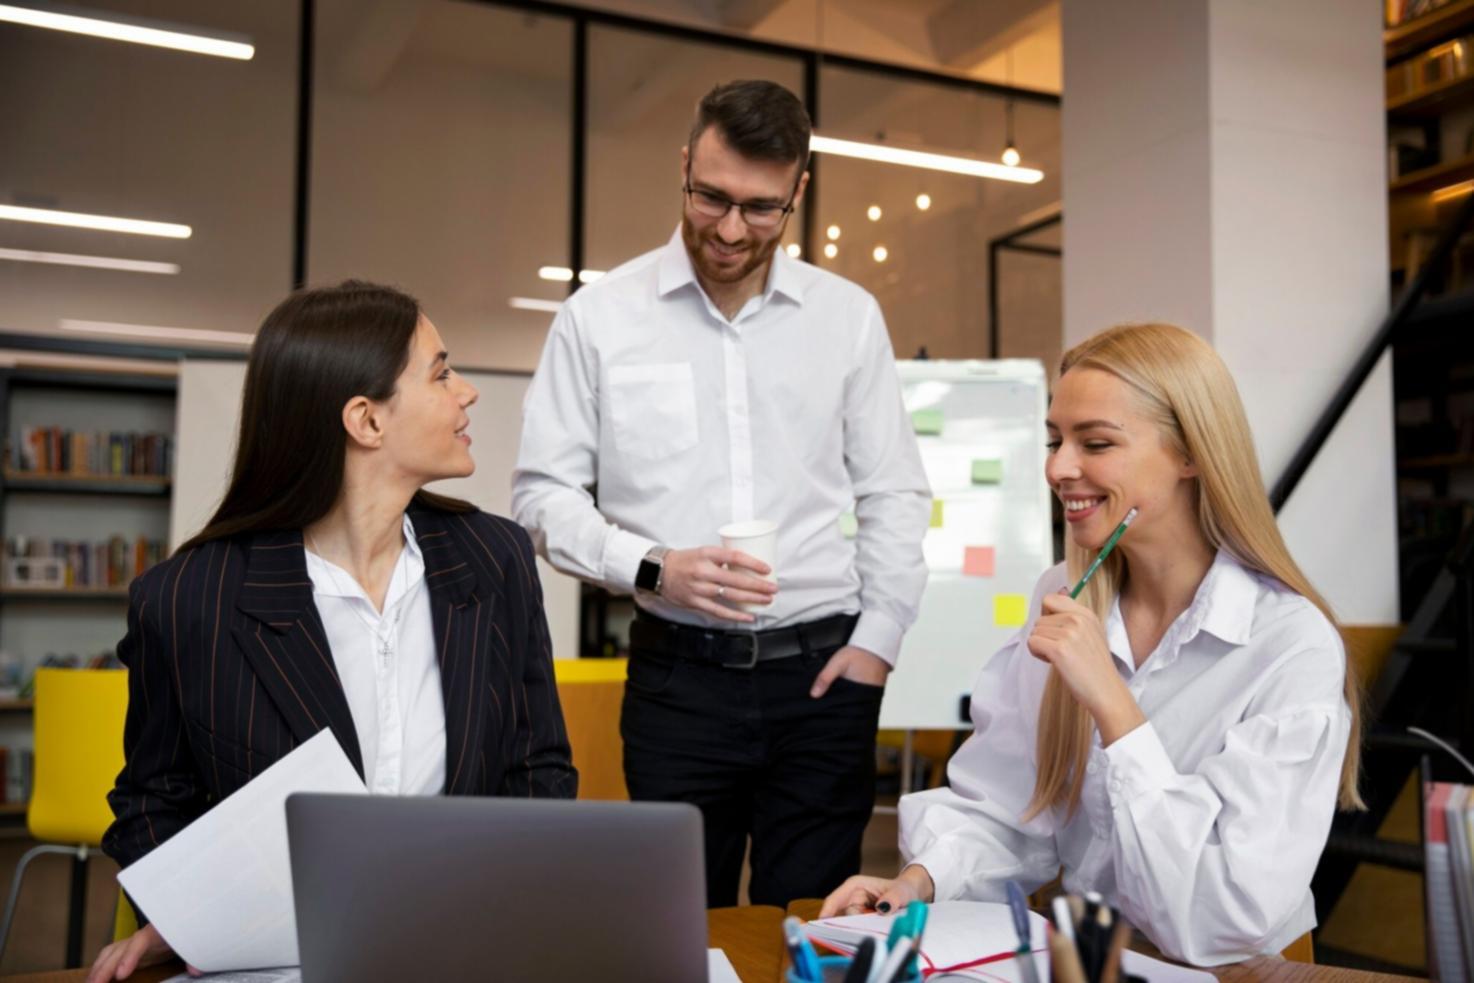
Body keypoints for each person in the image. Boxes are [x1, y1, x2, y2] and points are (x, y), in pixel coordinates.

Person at [820, 322, 1363, 966]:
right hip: (1091, 958)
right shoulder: (1066, 593)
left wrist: (1115, 706)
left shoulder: (1289, 644)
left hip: (1235, 972)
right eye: (1054, 440)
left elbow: (1227, 914)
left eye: (1095, 443)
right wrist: (915, 884)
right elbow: (1012, 800)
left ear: (1192, 453)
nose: (1057, 467)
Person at [512, 79, 930, 908]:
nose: (731, 229)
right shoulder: (601, 318)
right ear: (685, 166)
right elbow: (541, 496)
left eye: (762, 207)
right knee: (677, 927)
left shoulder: (847, 317)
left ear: (799, 191)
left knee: (813, 928)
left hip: (824, 677)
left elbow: (893, 489)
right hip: (677, 679)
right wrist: (655, 564)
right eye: (712, 197)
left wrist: (878, 640)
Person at [89, 280, 577, 982]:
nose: (467, 392)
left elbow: (540, 771)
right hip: (279, 962)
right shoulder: (188, 599)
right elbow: (151, 799)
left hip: (463, 944)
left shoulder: (494, 560)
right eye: (441, 372)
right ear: (365, 421)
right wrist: (184, 920)